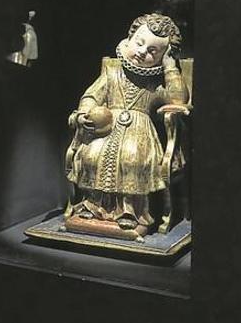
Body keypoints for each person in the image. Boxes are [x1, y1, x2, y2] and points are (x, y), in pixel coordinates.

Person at [64, 13, 187, 232]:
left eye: (153, 51)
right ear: (129, 39)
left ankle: (130, 211)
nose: (142, 52)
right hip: (105, 129)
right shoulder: (111, 73)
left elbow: (178, 99)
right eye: (139, 43)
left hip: (139, 132)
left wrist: (170, 66)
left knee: (133, 157)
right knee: (91, 154)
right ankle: (92, 205)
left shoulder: (155, 85)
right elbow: (91, 96)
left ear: (162, 56)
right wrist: (86, 111)